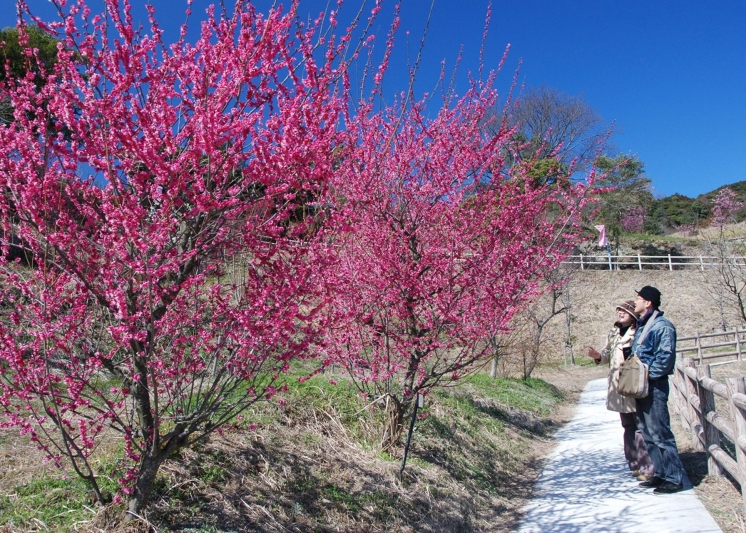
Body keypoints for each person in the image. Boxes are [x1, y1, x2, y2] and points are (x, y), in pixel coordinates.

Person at [588, 301, 654, 481]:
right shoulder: (613, 333)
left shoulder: (639, 331)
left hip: (633, 383)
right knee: (627, 425)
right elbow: (606, 355)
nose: (620, 313)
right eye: (618, 311)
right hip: (618, 386)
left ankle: (646, 466)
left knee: (640, 425)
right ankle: (633, 463)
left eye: (623, 311)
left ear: (632, 314)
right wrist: (598, 356)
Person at [632, 285, 686, 494]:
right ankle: (661, 473)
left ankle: (674, 478)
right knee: (647, 433)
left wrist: (646, 377)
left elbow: (665, 358)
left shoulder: (662, 326)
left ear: (648, 302)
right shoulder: (644, 325)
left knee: (661, 432)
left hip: (654, 386)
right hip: (642, 387)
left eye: (638, 298)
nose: (635, 302)